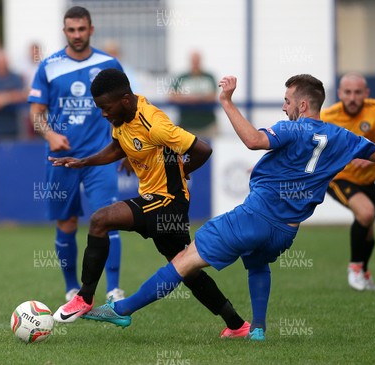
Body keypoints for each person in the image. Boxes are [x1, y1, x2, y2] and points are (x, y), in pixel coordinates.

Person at [81, 74, 375, 341]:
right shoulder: (343, 137)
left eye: (287, 101)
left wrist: (226, 101)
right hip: (285, 232)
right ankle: (256, 328)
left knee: (183, 261)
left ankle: (122, 309)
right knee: (257, 263)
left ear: (302, 104)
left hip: (254, 217)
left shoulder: (293, 129)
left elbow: (254, 141)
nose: (284, 107)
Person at [49, 68, 251, 339]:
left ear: (123, 99)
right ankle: (237, 325)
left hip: (168, 202)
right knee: (186, 268)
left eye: (105, 108)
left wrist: (183, 169)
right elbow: (119, 145)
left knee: (100, 219)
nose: (103, 114)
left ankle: (84, 298)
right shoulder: (122, 116)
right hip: (157, 200)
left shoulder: (155, 123)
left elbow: (203, 149)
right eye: (99, 108)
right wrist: (84, 161)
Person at [28, 6, 124, 302]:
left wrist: (129, 151)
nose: (77, 35)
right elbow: (35, 114)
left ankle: (114, 289)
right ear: (64, 31)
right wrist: (50, 134)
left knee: (107, 218)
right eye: (71, 30)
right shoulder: (49, 66)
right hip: (62, 160)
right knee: (66, 223)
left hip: (101, 158)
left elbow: (125, 110)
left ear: (91, 29)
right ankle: (72, 288)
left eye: (82, 29)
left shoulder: (109, 64)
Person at [321, 72, 375, 291]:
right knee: (366, 213)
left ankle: (365, 273)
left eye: (357, 92)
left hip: (368, 181)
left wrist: (370, 160)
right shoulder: (328, 116)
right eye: (347, 92)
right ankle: (355, 269)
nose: (352, 97)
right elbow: (301, 140)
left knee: (368, 231)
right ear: (339, 93)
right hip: (339, 178)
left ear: (366, 93)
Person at [168, 51, 218, 139]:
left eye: (197, 61)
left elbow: (213, 96)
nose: (195, 63)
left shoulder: (209, 77)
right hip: (186, 124)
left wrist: (197, 98)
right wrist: (188, 98)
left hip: (207, 124)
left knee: (208, 150)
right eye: (193, 61)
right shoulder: (182, 77)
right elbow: (172, 95)